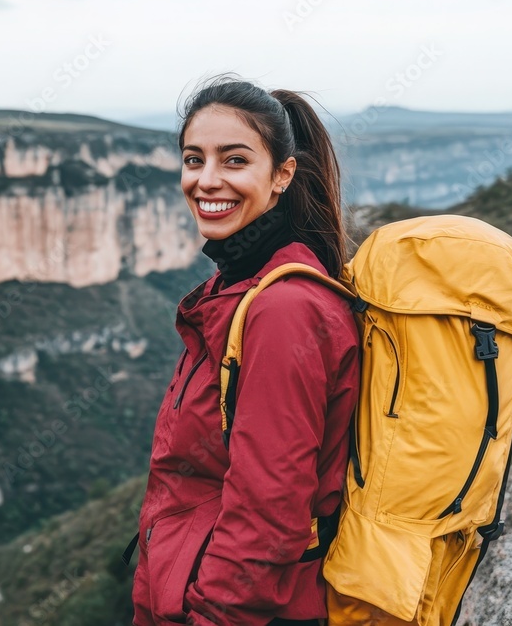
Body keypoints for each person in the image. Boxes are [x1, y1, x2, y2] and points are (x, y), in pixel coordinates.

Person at [130, 76, 361, 626]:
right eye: (194, 159)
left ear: (282, 174)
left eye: (234, 161)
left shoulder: (283, 309)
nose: (206, 180)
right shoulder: (237, 288)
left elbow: (270, 513)